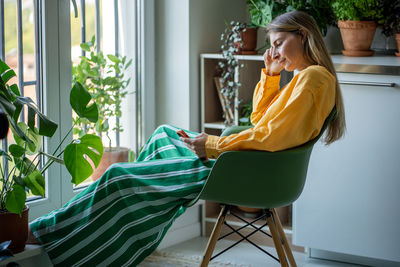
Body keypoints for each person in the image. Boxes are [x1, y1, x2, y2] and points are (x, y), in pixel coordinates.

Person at [28, 10, 345, 266]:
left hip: (247, 171)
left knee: (116, 176)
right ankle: (135, 210)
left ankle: (46, 233)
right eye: (271, 45)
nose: (272, 52)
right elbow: (262, 122)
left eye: (278, 43)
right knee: (164, 134)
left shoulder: (313, 79)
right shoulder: (304, 78)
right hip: (252, 165)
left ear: (302, 35)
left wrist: (212, 144)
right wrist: (272, 76)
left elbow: (270, 136)